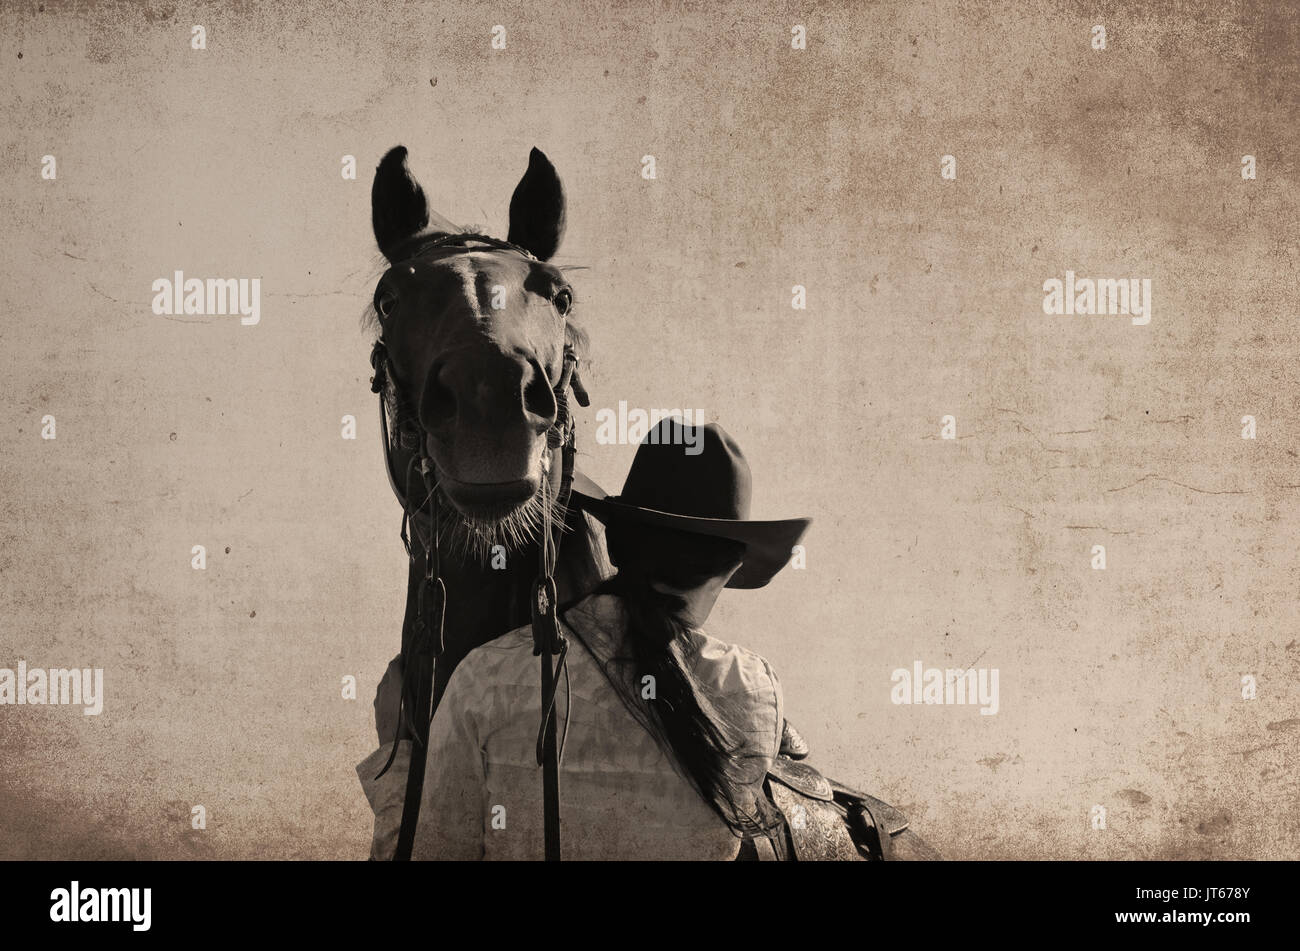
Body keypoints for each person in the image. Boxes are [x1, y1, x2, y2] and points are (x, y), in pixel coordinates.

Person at [356, 419, 810, 859]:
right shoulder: (756, 694)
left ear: (614, 545)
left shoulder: (483, 680)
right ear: (731, 570)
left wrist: (393, 763)